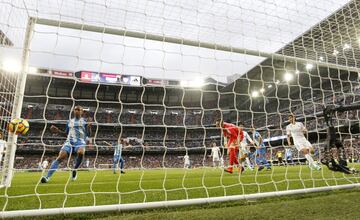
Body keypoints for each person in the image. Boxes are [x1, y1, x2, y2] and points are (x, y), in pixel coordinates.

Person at [41, 106, 91, 183]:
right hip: (69, 142)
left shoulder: (85, 121)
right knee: (60, 157)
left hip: (80, 142)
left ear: (82, 112)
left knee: (81, 152)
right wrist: (57, 131)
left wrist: (89, 127)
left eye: (78, 110)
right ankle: (47, 177)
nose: (76, 111)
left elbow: (89, 135)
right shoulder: (69, 122)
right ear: (73, 111)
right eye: (75, 109)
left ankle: (74, 169)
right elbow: (65, 134)